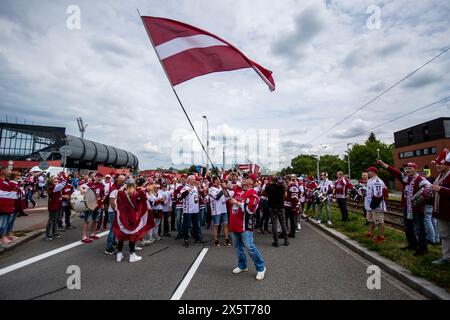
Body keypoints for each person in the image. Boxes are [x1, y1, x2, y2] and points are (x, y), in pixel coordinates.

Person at [378, 160, 431, 256]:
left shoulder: (421, 179)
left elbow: (429, 189)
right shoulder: (406, 179)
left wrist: (420, 198)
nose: (407, 170)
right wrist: (383, 164)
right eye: (406, 168)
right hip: (407, 207)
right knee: (408, 227)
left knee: (419, 228)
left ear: (415, 169)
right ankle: (412, 244)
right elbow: (395, 172)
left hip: (416, 208)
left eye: (409, 168)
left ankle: (423, 249)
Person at [228, 176, 266, 281]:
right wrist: (223, 187)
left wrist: (236, 202)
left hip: (245, 225)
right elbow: (227, 195)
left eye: (247, 179)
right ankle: (242, 265)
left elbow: (250, 210)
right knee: (237, 246)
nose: (244, 180)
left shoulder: (254, 194)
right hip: (235, 223)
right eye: (244, 179)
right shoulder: (239, 190)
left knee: (249, 247)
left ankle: (261, 267)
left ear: (252, 182)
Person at [113, 179, 154, 263]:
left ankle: (119, 255)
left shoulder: (120, 193)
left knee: (121, 236)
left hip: (123, 217)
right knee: (132, 236)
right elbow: (144, 201)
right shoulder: (138, 193)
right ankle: (132, 255)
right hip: (133, 217)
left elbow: (117, 203)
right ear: (134, 185)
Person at [430, 149, 450, 265]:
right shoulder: (440, 176)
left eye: (439, 163)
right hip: (442, 211)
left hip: (448, 210)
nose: (436, 166)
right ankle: (446, 257)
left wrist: (440, 189)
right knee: (444, 234)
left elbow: (442, 190)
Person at [179, 175, 205, 247]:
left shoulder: (196, 188)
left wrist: (200, 188)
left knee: (196, 225)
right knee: (187, 225)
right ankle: (186, 239)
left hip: (195, 210)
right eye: (193, 179)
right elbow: (182, 196)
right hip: (188, 210)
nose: (194, 180)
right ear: (189, 180)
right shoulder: (185, 187)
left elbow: (199, 196)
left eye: (194, 179)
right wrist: (188, 190)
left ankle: (197, 238)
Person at [365, 167, 387, 244]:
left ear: (373, 172)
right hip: (370, 204)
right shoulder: (370, 180)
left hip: (376, 204)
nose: (368, 173)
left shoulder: (377, 181)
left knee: (379, 221)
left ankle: (381, 236)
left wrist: (373, 205)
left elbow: (378, 195)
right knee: (370, 219)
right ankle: (370, 232)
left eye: (369, 171)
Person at [105, 175, 125, 255]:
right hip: (113, 211)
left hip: (115, 211)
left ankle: (113, 243)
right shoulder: (114, 189)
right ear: (118, 181)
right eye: (122, 181)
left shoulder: (117, 188)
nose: (123, 182)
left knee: (115, 228)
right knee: (113, 229)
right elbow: (112, 202)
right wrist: (116, 210)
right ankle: (108, 248)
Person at [209, 176, 232, 247]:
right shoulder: (211, 189)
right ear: (214, 181)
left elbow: (227, 196)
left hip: (223, 209)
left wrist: (224, 189)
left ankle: (227, 240)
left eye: (219, 180)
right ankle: (216, 240)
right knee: (216, 226)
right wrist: (222, 188)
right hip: (216, 210)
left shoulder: (220, 188)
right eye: (218, 180)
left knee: (225, 225)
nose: (219, 181)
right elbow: (216, 197)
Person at [267, 175, 289, 247]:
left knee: (274, 224)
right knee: (283, 223)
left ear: (271, 180)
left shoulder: (268, 187)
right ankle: (286, 240)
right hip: (281, 206)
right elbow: (285, 194)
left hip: (272, 206)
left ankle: (276, 241)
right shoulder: (281, 187)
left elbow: (264, 194)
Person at [45, 173, 67, 241]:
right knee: (51, 220)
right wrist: (65, 176)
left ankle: (54, 232)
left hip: (58, 205)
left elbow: (61, 184)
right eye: (54, 179)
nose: (56, 180)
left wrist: (60, 176)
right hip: (53, 206)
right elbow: (63, 184)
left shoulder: (56, 186)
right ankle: (48, 234)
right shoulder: (52, 187)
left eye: (56, 179)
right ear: (51, 180)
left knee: (56, 220)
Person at [0, 169, 17, 246]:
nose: (9, 171)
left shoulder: (6, 182)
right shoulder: (2, 182)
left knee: (5, 222)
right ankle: (2, 237)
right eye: (7, 170)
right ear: (2, 172)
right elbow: (8, 191)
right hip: (2, 206)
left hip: (7, 206)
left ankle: (4, 237)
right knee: (2, 222)